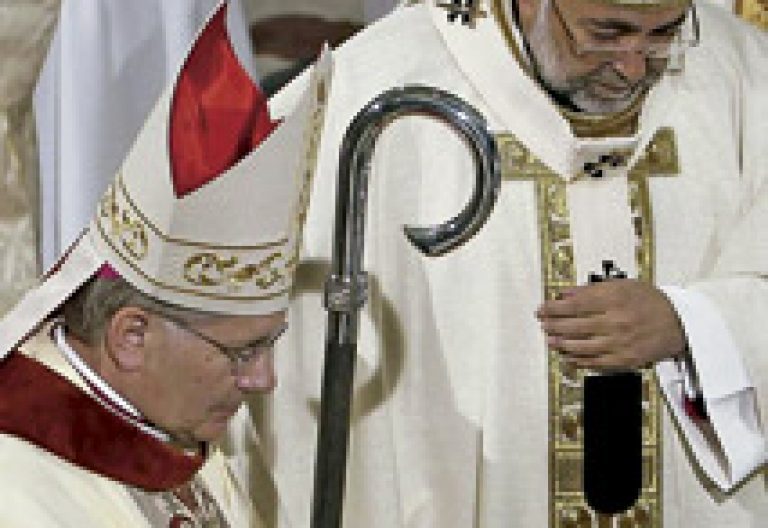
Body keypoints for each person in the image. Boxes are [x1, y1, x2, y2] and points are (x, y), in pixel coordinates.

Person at [242, 0, 768, 526]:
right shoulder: (376, 86)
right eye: (607, 33)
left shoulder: (741, 75)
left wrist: (696, 324)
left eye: (663, 35)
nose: (632, 66)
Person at [0, 2, 330, 526]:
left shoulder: (162, 422)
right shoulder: (20, 490)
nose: (264, 379)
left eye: (268, 343)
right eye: (243, 352)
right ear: (131, 336)